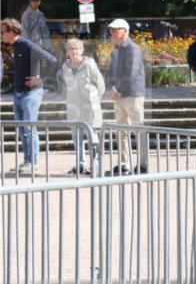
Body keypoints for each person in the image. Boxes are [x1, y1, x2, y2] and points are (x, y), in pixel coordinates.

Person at [2, 18, 56, 174]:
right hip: (18, 93)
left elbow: (52, 60)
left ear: (12, 32)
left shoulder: (27, 45)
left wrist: (41, 78)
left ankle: (34, 162)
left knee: (30, 128)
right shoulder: (15, 46)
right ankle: (27, 161)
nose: (1, 35)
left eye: (3, 32)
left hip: (31, 94)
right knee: (22, 129)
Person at [59, 38, 105, 175]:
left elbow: (100, 85)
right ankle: (80, 165)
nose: (74, 51)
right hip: (73, 106)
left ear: (82, 50)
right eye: (71, 49)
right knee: (76, 136)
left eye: (77, 48)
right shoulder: (65, 66)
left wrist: (94, 99)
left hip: (89, 106)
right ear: (67, 52)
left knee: (92, 136)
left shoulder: (90, 64)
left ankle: (95, 165)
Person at [107, 18, 147, 173]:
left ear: (125, 31)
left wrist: (117, 90)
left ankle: (143, 164)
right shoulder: (116, 49)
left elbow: (132, 73)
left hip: (132, 93)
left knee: (138, 129)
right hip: (120, 94)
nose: (112, 32)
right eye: (111, 29)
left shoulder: (133, 49)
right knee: (121, 130)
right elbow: (112, 72)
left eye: (115, 29)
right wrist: (112, 88)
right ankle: (125, 164)